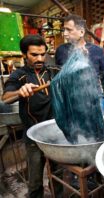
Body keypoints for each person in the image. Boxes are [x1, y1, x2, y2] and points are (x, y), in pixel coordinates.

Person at [2, 35, 62, 198]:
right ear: (24, 55)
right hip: (33, 137)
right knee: (35, 181)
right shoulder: (19, 75)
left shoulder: (53, 72)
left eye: (43, 54)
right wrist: (20, 91)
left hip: (56, 134)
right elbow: (6, 97)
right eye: (34, 55)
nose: (40, 59)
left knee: (58, 176)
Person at [55, 14, 104, 116]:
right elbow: (57, 79)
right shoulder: (61, 50)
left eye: (69, 30)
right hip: (69, 103)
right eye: (64, 30)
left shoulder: (97, 51)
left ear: (81, 32)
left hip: (93, 101)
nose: (64, 34)